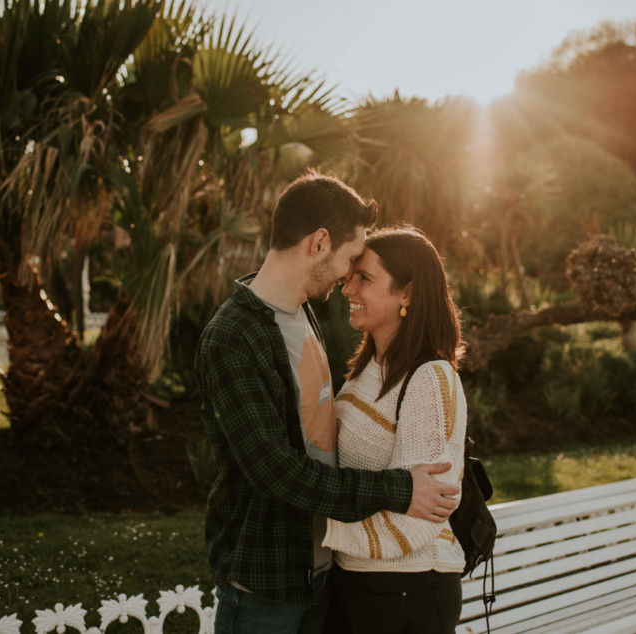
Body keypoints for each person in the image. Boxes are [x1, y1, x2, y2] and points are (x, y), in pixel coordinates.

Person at [195, 171, 460, 634]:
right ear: (320, 243)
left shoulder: (301, 315)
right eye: (351, 258)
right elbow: (274, 470)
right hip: (267, 584)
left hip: (323, 577)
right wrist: (399, 488)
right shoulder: (233, 336)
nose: (347, 280)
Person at [323, 225, 468, 633]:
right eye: (351, 275)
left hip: (409, 591)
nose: (347, 288)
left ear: (407, 293)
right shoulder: (367, 369)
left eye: (364, 278)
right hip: (357, 581)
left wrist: (322, 529)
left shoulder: (429, 380)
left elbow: (416, 521)